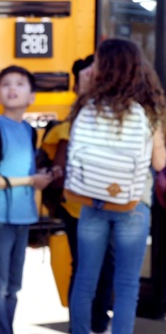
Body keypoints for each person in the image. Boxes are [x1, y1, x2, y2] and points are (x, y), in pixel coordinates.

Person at [67, 38, 166, 334]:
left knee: (85, 280)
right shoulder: (148, 111)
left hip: (90, 201)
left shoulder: (88, 107)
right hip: (133, 205)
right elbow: (159, 163)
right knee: (126, 285)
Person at [40, 55, 114, 334]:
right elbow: (58, 167)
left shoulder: (112, 114)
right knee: (86, 267)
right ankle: (84, 327)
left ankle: (96, 324)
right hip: (77, 207)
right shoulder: (72, 124)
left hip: (106, 207)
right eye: (87, 77)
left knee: (104, 268)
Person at [0, 65, 54, 334]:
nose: (12, 89)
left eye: (19, 84)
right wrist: (31, 181)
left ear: (32, 96)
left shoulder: (29, 131)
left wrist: (41, 176)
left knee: (13, 287)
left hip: (24, 216)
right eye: (6, 84)